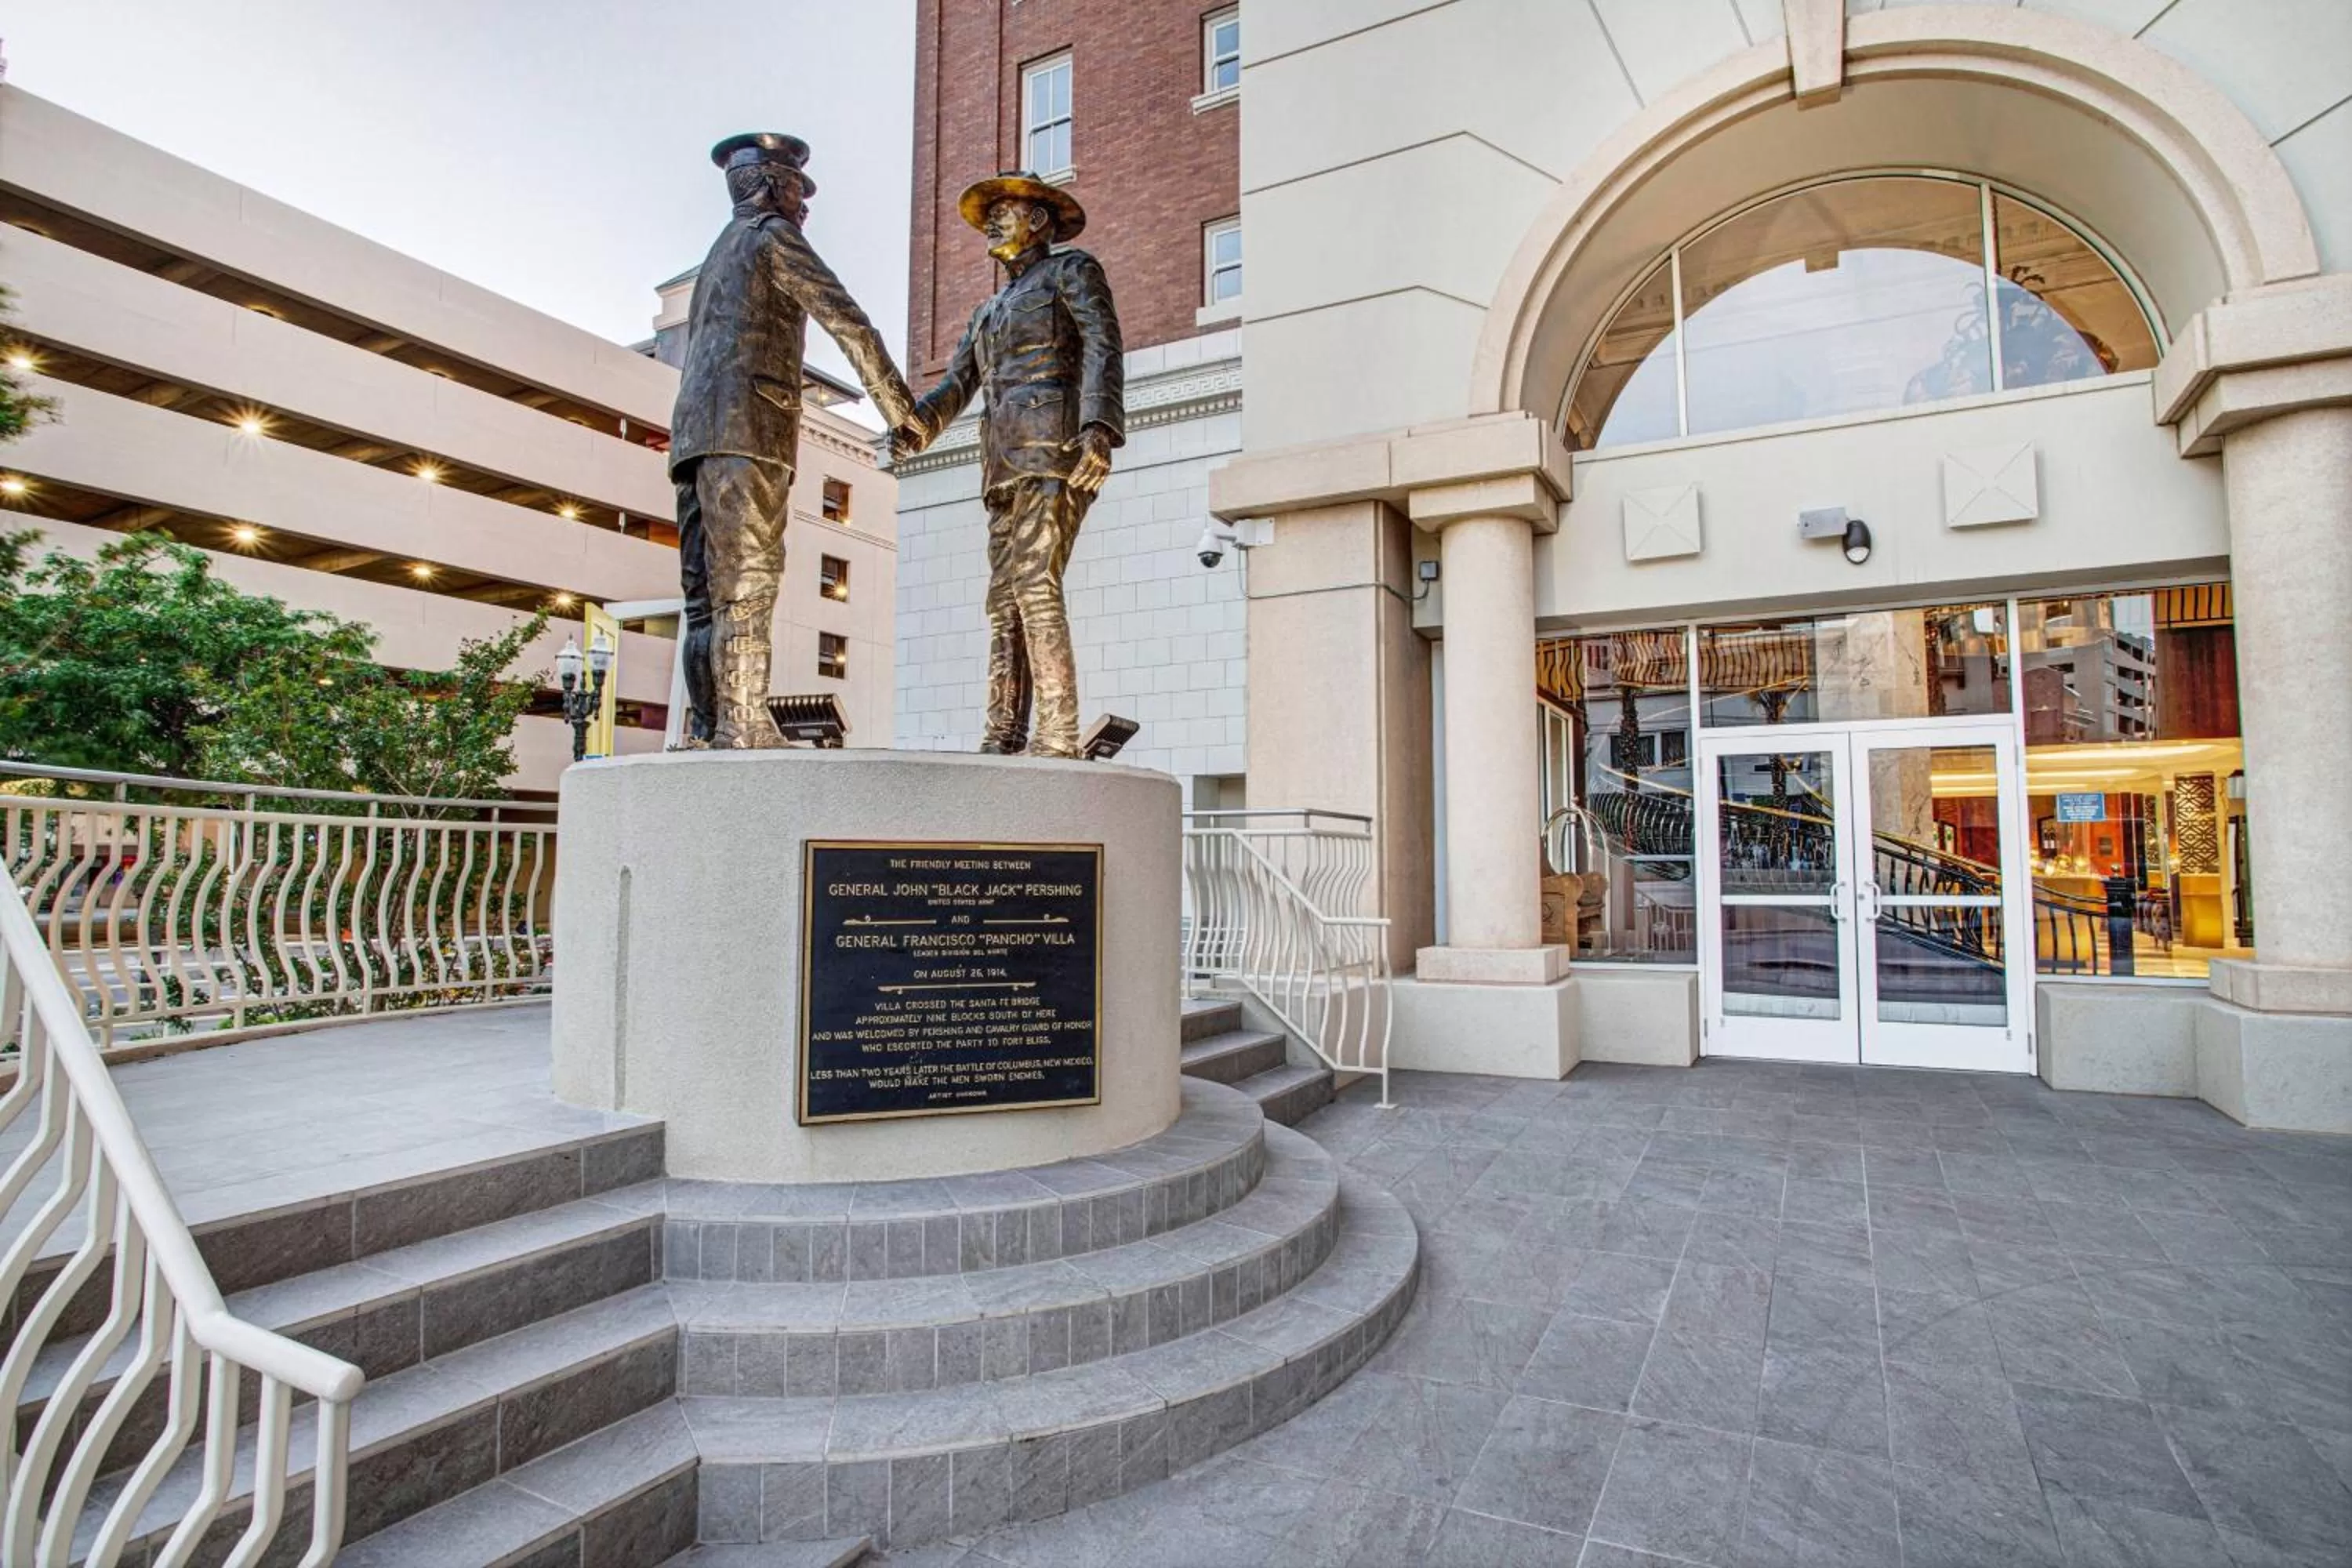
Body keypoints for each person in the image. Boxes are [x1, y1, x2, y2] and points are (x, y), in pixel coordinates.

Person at [670, 132, 915, 747]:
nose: (804, 208)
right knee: (747, 586)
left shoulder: (718, 253)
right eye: (798, 192)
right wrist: (900, 410)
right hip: (748, 434)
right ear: (774, 187)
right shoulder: (772, 238)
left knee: (704, 596)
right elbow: (847, 320)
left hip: (695, 442)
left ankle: (707, 727)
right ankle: (743, 723)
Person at [894, 172, 1123, 759]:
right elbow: (956, 384)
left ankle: (1057, 732)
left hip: (1055, 449)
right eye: (988, 213)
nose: (992, 221)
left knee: (1035, 584)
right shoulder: (987, 311)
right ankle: (1003, 733)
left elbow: (1102, 342)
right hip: (999, 464)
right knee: (1002, 601)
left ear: (1039, 221)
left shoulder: (1072, 272)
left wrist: (1099, 428)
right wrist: (917, 424)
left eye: (1005, 210)